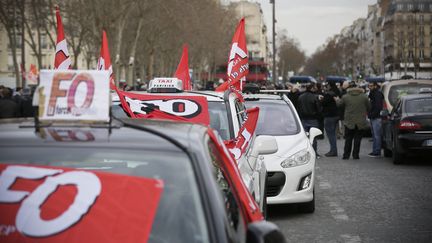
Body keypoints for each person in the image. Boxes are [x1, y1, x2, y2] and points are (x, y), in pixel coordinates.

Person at [335, 81, 371, 160]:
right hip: (360, 121)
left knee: (348, 139)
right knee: (358, 139)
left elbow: (339, 105)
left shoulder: (345, 97)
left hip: (349, 121)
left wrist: (337, 100)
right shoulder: (364, 96)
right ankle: (356, 155)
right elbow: (369, 107)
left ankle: (346, 155)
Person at [297, 83, 322, 156]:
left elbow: (298, 108)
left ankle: (306, 152)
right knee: (313, 137)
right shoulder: (315, 97)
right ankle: (314, 152)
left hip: (304, 119)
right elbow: (318, 109)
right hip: (313, 119)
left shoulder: (300, 97)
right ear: (311, 88)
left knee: (305, 137)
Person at [321, 82, 341, 157]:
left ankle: (333, 151)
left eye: (327, 86)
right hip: (336, 115)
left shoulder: (328, 95)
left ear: (329, 86)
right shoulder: (336, 93)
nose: (326, 87)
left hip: (329, 116)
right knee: (333, 134)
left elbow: (323, 103)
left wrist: (321, 99)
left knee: (331, 135)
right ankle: (333, 150)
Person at [368, 82, 384, 157]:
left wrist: (372, 115)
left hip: (376, 117)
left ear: (375, 86)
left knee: (377, 135)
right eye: (369, 86)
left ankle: (377, 151)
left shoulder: (377, 94)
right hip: (373, 116)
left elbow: (378, 106)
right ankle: (375, 150)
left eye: (371, 86)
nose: (369, 87)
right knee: (374, 135)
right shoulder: (373, 94)